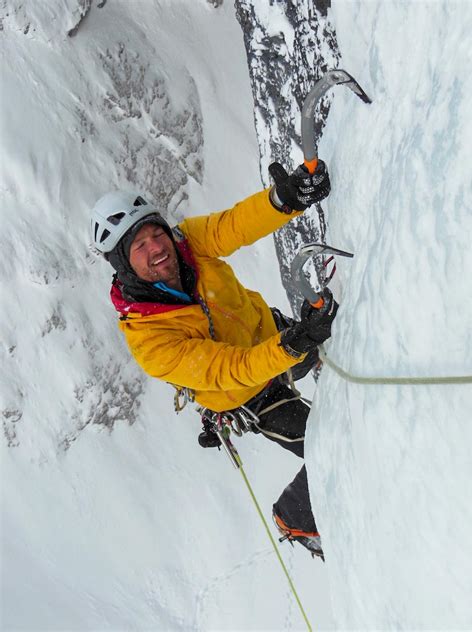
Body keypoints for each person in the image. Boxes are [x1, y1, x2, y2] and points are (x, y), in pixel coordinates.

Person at [90, 162, 338, 559]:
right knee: (329, 445)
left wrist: (285, 199)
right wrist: (293, 347)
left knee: (334, 344)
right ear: (122, 263)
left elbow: (234, 225)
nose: (157, 247)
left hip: (268, 333)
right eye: (139, 245)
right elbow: (231, 369)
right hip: (248, 394)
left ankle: (326, 364)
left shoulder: (187, 245)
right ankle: (295, 516)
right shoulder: (150, 339)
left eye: (157, 233)